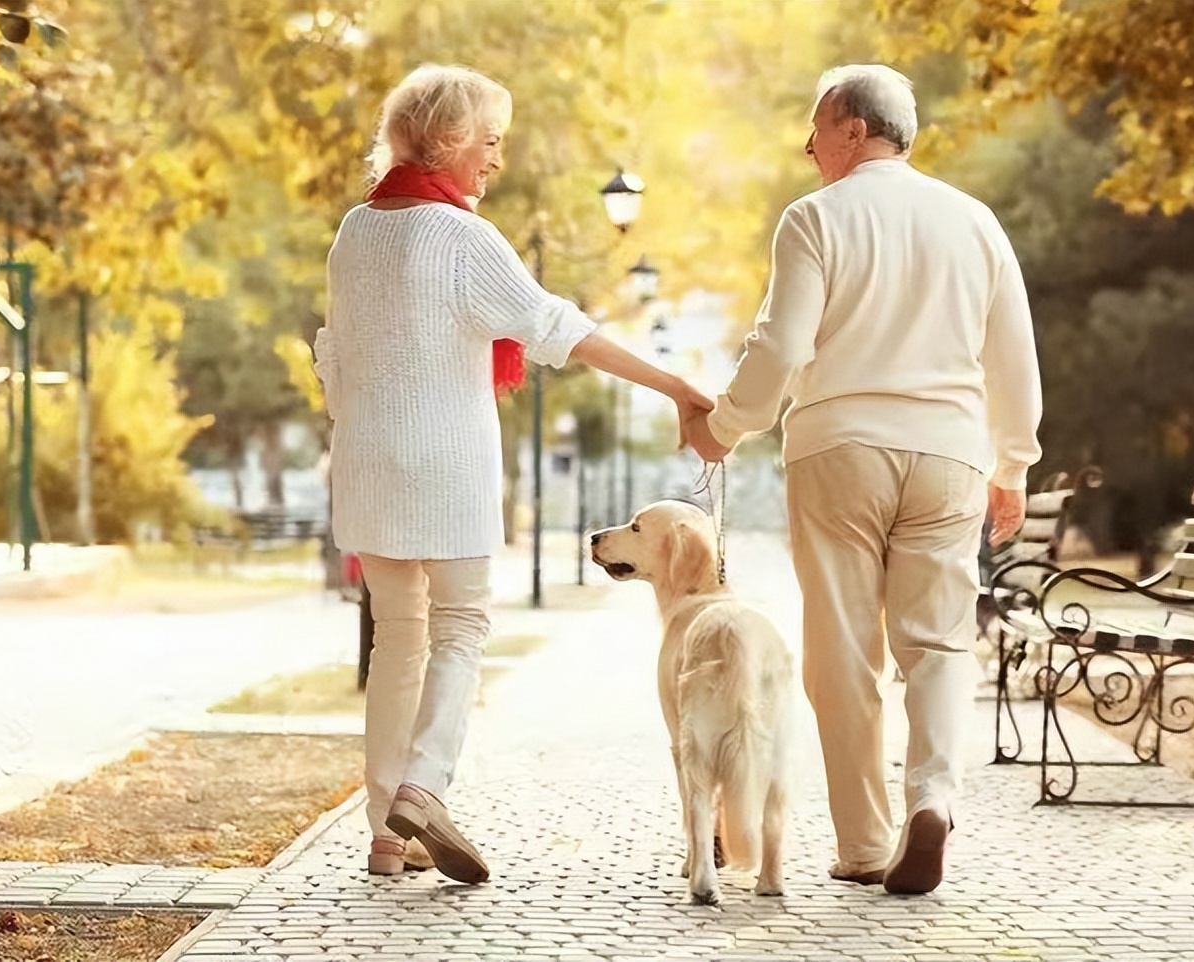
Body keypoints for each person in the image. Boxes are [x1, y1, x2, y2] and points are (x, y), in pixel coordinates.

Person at [314, 63, 713, 884]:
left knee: (398, 638)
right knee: (460, 627)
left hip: (368, 463)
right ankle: (423, 789)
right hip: (446, 465)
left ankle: (386, 832)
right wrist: (674, 384)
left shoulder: (355, 230)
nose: (496, 160)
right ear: (452, 140)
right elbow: (558, 328)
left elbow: (334, 356)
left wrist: (360, 429)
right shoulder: (461, 238)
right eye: (490, 142)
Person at [683, 63, 1042, 895]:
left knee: (844, 648)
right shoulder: (974, 221)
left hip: (839, 448)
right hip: (949, 451)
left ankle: (866, 842)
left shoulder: (814, 218)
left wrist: (724, 426)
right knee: (939, 639)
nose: (808, 149)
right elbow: (1013, 355)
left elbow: (779, 349)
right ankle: (935, 800)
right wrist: (1013, 463)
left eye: (815, 131)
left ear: (851, 128)